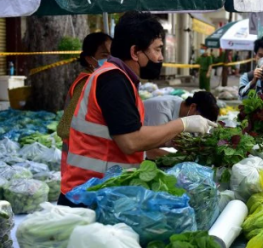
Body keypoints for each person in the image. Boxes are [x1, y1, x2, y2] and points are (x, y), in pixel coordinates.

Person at [60, 11, 217, 207]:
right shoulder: (113, 80)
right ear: (135, 52)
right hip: (87, 196)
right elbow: (130, 141)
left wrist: (167, 139)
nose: (160, 58)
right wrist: (182, 124)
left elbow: (127, 136)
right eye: (157, 50)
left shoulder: (121, 79)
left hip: (100, 191)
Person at [57, 32, 112, 181]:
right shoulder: (87, 83)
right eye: (104, 54)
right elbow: (65, 127)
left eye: (113, 54)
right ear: (89, 59)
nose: (110, 59)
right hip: (81, 162)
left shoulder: (101, 80)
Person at [144, 91, 219, 159]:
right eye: (199, 121)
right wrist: (185, 159)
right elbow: (152, 152)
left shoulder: (182, 107)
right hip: (136, 153)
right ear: (193, 107)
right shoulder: (162, 111)